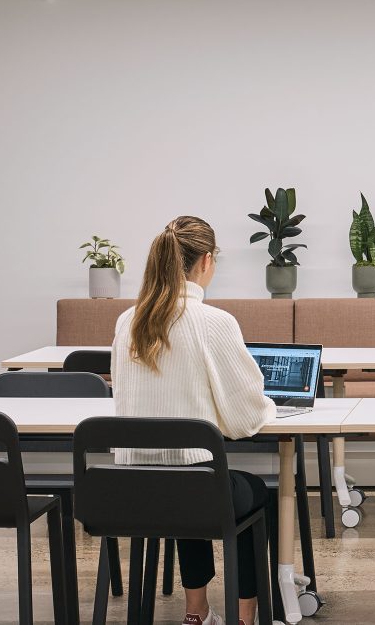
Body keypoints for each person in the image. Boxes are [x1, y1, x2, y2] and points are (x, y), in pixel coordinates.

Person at [111, 215, 276, 625]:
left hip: (130, 493)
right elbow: (244, 418)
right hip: (195, 490)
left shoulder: (126, 322)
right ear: (205, 261)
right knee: (238, 488)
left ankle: (196, 612)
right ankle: (244, 616)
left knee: (187, 477)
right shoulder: (214, 322)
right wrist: (270, 408)